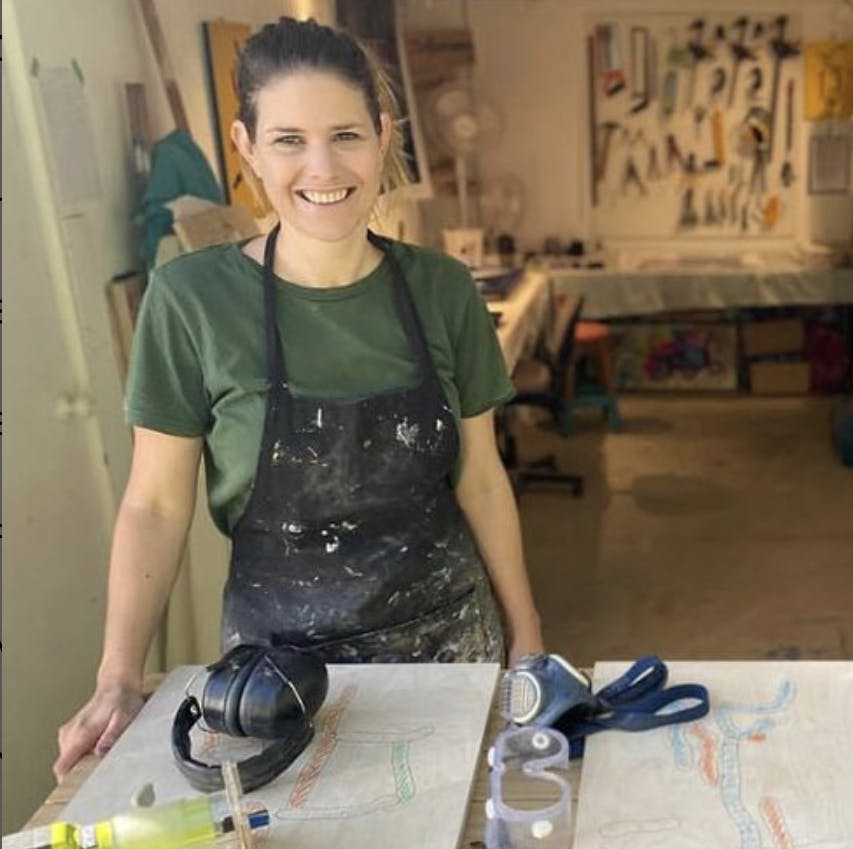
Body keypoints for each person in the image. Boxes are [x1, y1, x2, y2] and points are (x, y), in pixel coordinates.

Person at [53, 17, 543, 780]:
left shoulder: (439, 287)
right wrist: (117, 675)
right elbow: (154, 504)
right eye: (288, 140)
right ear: (247, 148)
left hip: (451, 652)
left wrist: (529, 636)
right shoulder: (192, 300)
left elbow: (481, 477)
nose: (323, 166)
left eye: (346, 134)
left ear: (383, 138)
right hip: (275, 681)